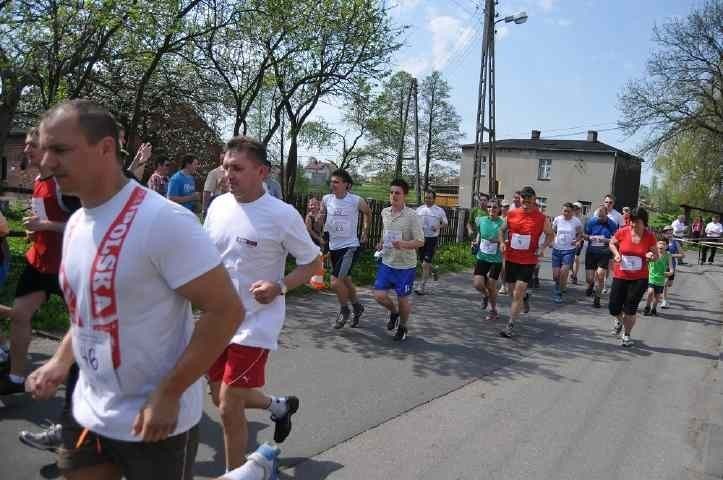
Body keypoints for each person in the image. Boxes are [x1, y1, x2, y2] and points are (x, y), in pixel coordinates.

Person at [26, 99, 242, 479]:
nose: (46, 162)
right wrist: (61, 361)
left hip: (156, 418)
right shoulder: (76, 224)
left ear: (106, 148)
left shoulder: (164, 221)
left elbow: (226, 310)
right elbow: (88, 312)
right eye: (44, 150)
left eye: (59, 150)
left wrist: (170, 391)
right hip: (89, 413)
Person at [204, 135, 321, 471]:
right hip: (215, 319)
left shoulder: (281, 215)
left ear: (262, 172)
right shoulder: (218, 206)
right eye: (225, 167)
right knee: (220, 397)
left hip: (255, 322)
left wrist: (280, 286)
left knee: (228, 405)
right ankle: (278, 406)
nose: (228, 174)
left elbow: (312, 264)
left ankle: (239, 474)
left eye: (237, 168)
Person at [0, 128, 79, 396]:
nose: (25, 150)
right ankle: (15, 377)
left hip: (68, 267)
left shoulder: (64, 184)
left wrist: (43, 224)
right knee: (20, 315)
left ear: (47, 150)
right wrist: (36, 231)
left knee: (85, 326)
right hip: (39, 261)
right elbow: (42, 220)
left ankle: (83, 389)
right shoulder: (37, 179)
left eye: (31, 146)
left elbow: (84, 224)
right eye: (25, 145)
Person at [497, 186, 554, 338]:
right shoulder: (512, 214)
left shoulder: (542, 218)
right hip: (511, 258)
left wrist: (542, 247)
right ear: (520, 199)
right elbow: (501, 230)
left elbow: (550, 235)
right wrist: (502, 243)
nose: (526, 203)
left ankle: (510, 325)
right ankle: (525, 299)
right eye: (524, 200)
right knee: (511, 291)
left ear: (534, 200)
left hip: (528, 260)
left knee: (517, 292)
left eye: (529, 201)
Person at [373, 178, 424, 342]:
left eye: (398, 193)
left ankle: (403, 326)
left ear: (405, 196)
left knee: (403, 300)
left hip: (405, 266)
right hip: (387, 261)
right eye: (391, 192)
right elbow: (386, 233)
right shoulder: (384, 212)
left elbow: (420, 241)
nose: (394, 196)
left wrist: (403, 244)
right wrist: (381, 243)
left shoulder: (412, 216)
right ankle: (394, 312)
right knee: (379, 295)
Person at [321, 169, 372, 329]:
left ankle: (345, 310)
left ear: (346, 185)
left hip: (350, 246)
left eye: (336, 182)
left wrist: (365, 232)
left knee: (336, 282)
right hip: (334, 246)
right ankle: (357, 306)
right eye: (332, 182)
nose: (332, 184)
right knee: (346, 280)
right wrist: (318, 219)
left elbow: (368, 213)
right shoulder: (326, 199)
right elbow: (323, 219)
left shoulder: (356, 200)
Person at [608, 206, 658, 347]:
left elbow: (656, 256)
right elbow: (612, 243)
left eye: (637, 222)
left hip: (639, 278)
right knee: (614, 308)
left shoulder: (649, 236)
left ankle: (627, 334)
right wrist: (616, 254)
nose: (634, 224)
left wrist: (650, 256)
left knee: (630, 308)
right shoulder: (623, 231)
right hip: (621, 274)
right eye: (632, 221)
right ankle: (620, 321)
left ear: (644, 222)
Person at [473, 201, 504, 320]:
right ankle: (485, 295)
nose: (492, 209)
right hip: (482, 257)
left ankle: (493, 310)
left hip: (496, 259)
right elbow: (479, 234)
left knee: (491, 286)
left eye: (494, 207)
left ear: (499, 209)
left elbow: (507, 240)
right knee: (477, 284)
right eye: (489, 207)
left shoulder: (502, 223)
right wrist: (476, 241)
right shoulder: (481, 220)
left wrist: (497, 241)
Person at [583, 205, 618, 308]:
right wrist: (590, 238)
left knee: (600, 275)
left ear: (607, 214)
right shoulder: (591, 222)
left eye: (602, 217)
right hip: (591, 252)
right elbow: (584, 235)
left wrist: (605, 240)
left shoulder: (612, 224)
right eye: (598, 216)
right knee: (589, 278)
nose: (600, 218)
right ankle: (591, 284)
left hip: (604, 252)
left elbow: (616, 239)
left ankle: (597, 299)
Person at [415, 189, 448, 295]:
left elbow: (445, 223)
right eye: (426, 198)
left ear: (434, 199)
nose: (427, 200)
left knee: (425, 264)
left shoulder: (439, 210)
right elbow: (414, 223)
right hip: (420, 238)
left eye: (429, 198)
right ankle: (433, 270)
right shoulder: (419, 209)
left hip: (432, 239)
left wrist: (438, 226)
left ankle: (422, 287)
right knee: (423, 263)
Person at [550, 202, 583, 303]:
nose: (566, 213)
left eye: (568, 211)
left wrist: (576, 240)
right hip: (557, 249)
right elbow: (553, 231)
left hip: (569, 250)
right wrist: (553, 240)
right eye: (564, 211)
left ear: (572, 212)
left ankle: (558, 293)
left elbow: (580, 233)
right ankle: (558, 286)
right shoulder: (558, 219)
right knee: (556, 275)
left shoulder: (576, 221)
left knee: (563, 272)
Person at [643, 239, 673, 316]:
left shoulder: (668, 255)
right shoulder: (652, 253)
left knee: (657, 296)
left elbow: (671, 267)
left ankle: (654, 309)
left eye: (663, 244)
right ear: (656, 245)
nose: (661, 245)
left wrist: (670, 272)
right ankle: (647, 307)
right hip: (652, 277)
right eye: (659, 243)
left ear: (666, 246)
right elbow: (646, 258)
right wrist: (647, 257)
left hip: (661, 278)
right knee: (650, 292)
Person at [203, 151, 227, 216]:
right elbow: (207, 192)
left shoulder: (236, 172)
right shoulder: (213, 173)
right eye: (222, 159)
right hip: (218, 206)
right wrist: (205, 209)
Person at [570, 201, 586, 285]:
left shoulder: (583, 218)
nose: (576, 210)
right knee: (570, 258)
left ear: (580, 209)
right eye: (574, 208)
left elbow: (584, 231)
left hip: (579, 240)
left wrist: (579, 240)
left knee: (576, 257)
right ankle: (571, 272)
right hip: (569, 240)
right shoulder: (570, 217)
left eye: (577, 208)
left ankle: (575, 275)